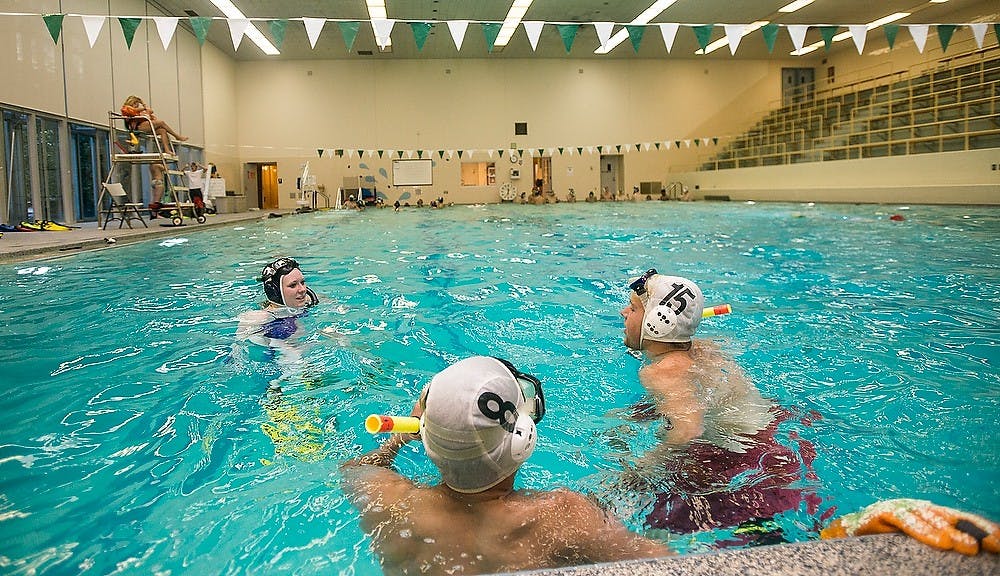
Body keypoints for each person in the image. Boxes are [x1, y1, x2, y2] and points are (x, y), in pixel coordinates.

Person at [341, 356, 673, 575]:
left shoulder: (389, 501)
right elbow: (665, 564)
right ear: (522, 439)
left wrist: (400, 437)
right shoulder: (562, 516)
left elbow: (354, 469)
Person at [618, 270, 822, 537]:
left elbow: (688, 430)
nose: (623, 313)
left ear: (659, 322)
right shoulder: (705, 348)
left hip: (740, 461)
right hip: (774, 438)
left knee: (655, 521)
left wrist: (644, 466)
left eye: (633, 308)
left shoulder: (660, 372)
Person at [236, 257, 319, 353]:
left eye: (302, 282)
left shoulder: (308, 301)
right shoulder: (259, 318)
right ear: (275, 291)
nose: (302, 290)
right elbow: (240, 347)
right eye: (293, 285)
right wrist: (284, 348)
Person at [120, 96, 188, 155]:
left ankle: (167, 150)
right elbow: (133, 110)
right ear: (131, 103)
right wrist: (144, 109)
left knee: (162, 130)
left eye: (137, 105)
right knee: (161, 122)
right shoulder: (126, 109)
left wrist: (143, 105)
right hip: (137, 127)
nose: (137, 106)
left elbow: (151, 112)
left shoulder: (137, 111)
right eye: (135, 104)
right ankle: (176, 136)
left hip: (144, 126)